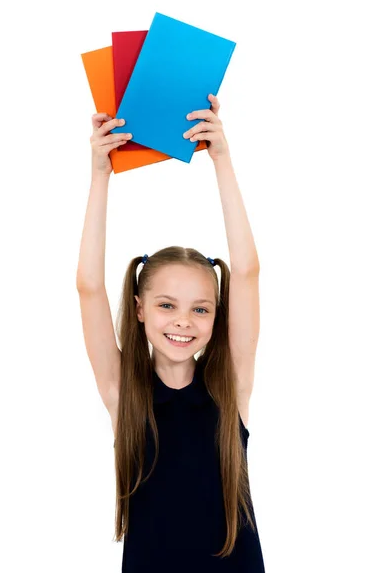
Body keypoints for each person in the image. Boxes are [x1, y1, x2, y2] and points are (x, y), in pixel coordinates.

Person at [76, 94, 265, 571]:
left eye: (201, 309)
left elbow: (245, 272)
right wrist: (100, 174)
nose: (183, 321)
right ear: (139, 309)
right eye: (166, 305)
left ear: (217, 316)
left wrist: (221, 158)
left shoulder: (231, 385)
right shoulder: (124, 391)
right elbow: (89, 287)